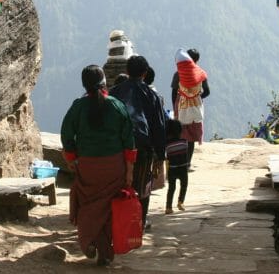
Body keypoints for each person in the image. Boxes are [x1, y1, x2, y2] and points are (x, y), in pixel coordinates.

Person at [61, 65, 136, 266]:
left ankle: (90, 242)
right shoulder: (117, 105)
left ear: (84, 84)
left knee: (89, 206)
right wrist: (129, 170)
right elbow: (129, 141)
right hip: (115, 166)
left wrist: (72, 159)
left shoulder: (78, 106)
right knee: (109, 207)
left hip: (87, 166)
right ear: (104, 82)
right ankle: (104, 250)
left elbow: (67, 135)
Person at [110, 55, 166, 230]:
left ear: (126, 71)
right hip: (143, 147)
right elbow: (158, 126)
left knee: (117, 183)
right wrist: (160, 155)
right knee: (143, 185)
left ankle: (115, 220)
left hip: (118, 146)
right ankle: (139, 222)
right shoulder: (152, 96)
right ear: (145, 73)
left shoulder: (115, 92)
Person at [171, 48, 210, 167]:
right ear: (197, 60)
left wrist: (176, 106)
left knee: (181, 135)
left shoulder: (178, 74)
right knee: (192, 137)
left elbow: (173, 93)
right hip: (195, 108)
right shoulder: (201, 73)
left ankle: (180, 162)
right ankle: (188, 163)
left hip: (181, 107)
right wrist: (196, 97)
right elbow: (207, 92)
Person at [164, 119, 189, 214]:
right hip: (183, 168)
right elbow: (187, 154)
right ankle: (180, 201)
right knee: (184, 185)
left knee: (171, 188)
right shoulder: (184, 142)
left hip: (172, 168)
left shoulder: (167, 144)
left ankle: (168, 207)